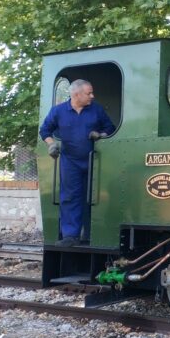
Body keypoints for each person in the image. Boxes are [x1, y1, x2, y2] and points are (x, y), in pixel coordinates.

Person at [39, 79, 115, 246]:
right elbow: (44, 130)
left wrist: (100, 135)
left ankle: (89, 234)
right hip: (69, 161)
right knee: (70, 196)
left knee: (92, 197)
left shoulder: (96, 110)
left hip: (93, 159)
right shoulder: (58, 111)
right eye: (89, 93)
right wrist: (51, 144)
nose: (92, 96)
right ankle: (70, 236)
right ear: (76, 94)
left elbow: (110, 128)